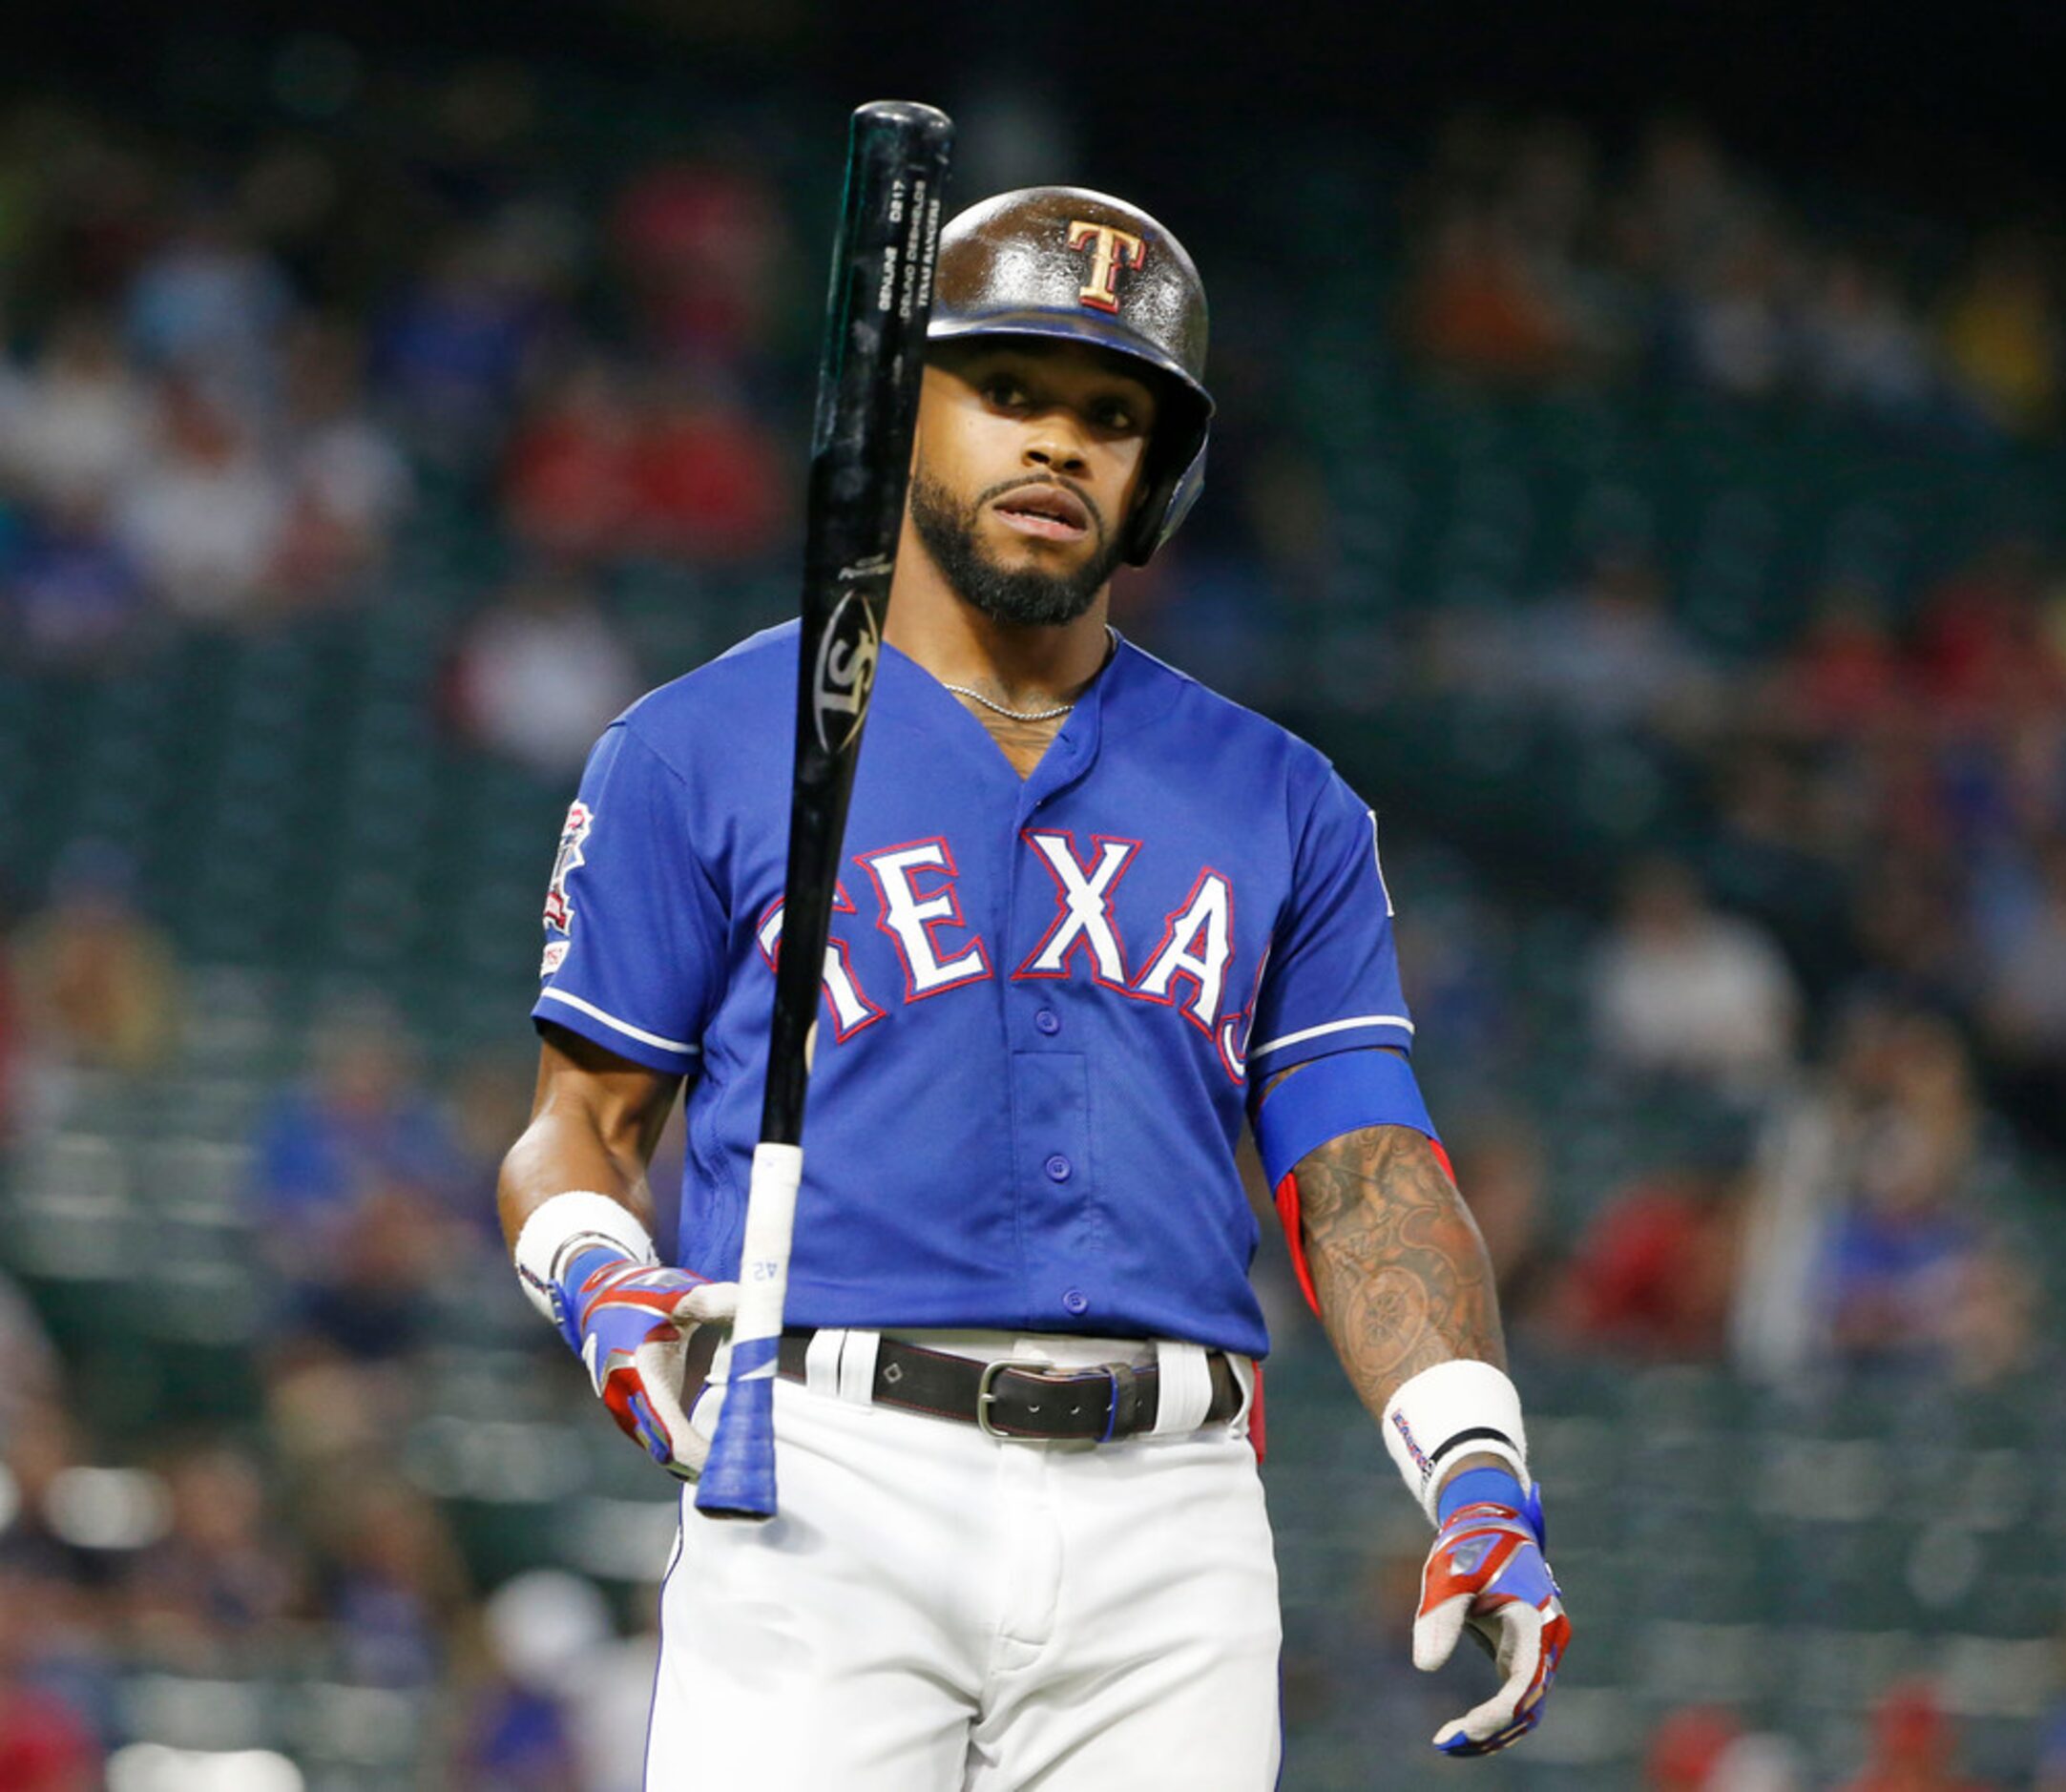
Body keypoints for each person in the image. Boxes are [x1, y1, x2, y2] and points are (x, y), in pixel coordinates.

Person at [496, 186, 1568, 1789]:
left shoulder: (1283, 801)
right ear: (901, 416)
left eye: (1111, 415)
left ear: (1157, 483)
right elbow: (576, 1125)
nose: (1059, 444)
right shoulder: (702, 746)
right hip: (818, 1474)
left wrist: (1476, 1464)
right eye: (1009, 393)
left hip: (1174, 1524)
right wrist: (600, 1278)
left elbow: (1360, 1172)